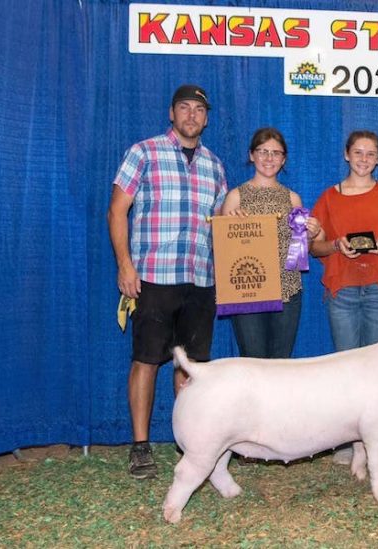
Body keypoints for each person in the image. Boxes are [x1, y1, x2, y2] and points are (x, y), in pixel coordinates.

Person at [107, 84, 227, 480]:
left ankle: (192, 447)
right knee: (145, 360)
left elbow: (225, 228)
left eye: (199, 110)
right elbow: (117, 210)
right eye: (184, 108)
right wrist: (126, 265)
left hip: (200, 278)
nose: (192, 115)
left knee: (190, 367)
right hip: (153, 277)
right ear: (171, 113)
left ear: (206, 118)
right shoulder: (143, 152)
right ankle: (140, 447)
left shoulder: (215, 165)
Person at [310, 131, 378, 463]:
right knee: (346, 366)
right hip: (343, 288)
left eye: (371, 154)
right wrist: (336, 245)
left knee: (376, 369)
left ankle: (372, 438)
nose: (364, 159)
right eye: (358, 152)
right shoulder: (328, 198)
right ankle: (347, 441)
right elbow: (315, 245)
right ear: (346, 155)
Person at [221, 127, 320, 359]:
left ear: (283, 159)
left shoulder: (292, 198)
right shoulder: (236, 196)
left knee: (280, 361)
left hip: (286, 289)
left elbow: (297, 252)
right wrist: (229, 226)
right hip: (248, 287)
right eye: (263, 151)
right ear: (251, 155)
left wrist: (311, 235)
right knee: (253, 358)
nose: (269, 158)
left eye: (276, 153)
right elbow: (224, 250)